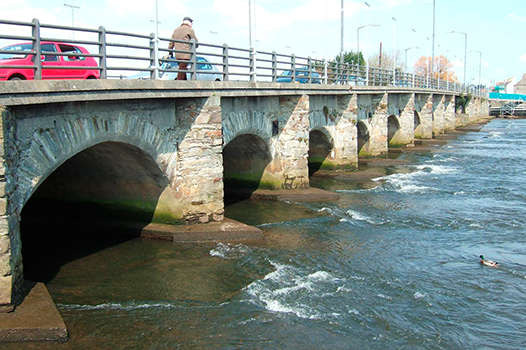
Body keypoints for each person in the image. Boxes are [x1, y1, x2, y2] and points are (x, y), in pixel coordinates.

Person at [168, 16, 198, 81]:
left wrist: (170, 51)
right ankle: (178, 83)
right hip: (186, 54)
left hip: (177, 54)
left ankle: (184, 83)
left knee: (182, 69)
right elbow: (195, 41)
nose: (192, 25)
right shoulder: (190, 30)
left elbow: (171, 43)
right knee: (182, 71)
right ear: (188, 23)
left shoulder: (176, 30)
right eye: (191, 23)